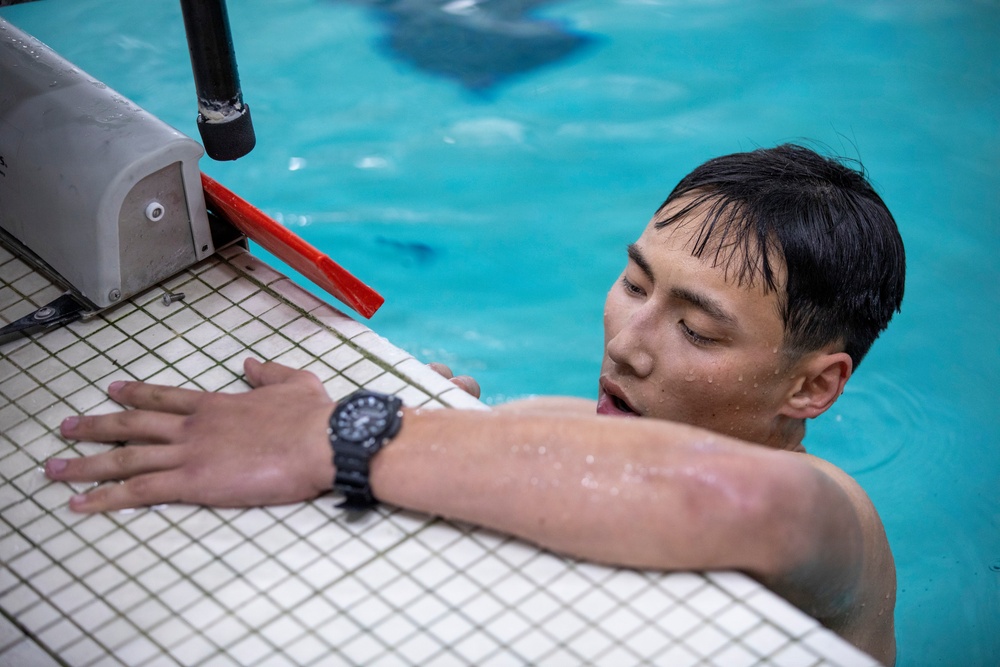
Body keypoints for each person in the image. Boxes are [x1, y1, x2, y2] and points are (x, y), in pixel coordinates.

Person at [44, 144, 905, 664]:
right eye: (635, 282)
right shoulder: (570, 420)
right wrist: (433, 419)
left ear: (813, 385)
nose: (628, 343)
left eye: (699, 331)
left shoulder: (838, 523)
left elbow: (728, 497)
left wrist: (343, 435)